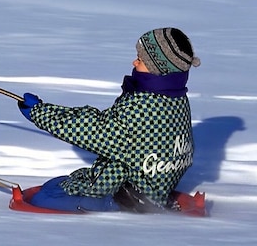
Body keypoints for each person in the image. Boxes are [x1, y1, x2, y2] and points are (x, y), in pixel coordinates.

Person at [17, 27, 201, 213]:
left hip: (126, 195)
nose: (134, 62)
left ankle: (105, 204)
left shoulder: (141, 107)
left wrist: (40, 113)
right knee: (55, 184)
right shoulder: (175, 98)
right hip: (157, 183)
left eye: (142, 60)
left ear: (159, 69)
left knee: (44, 197)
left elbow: (92, 129)